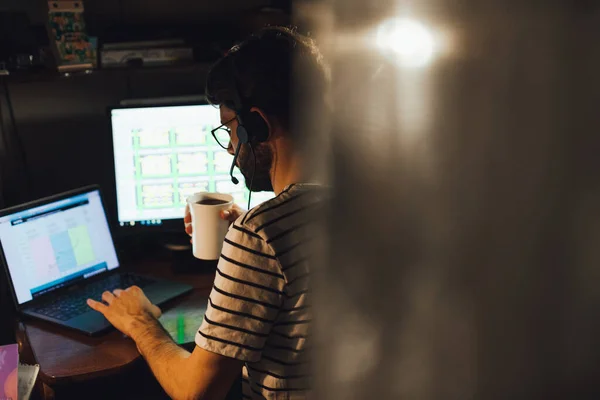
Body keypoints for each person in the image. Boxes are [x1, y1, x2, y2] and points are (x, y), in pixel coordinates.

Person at [87, 26, 329, 400]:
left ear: (257, 125)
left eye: (230, 131)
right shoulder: (376, 199)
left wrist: (140, 323)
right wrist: (243, 242)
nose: (231, 147)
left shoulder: (261, 235)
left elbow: (194, 391)